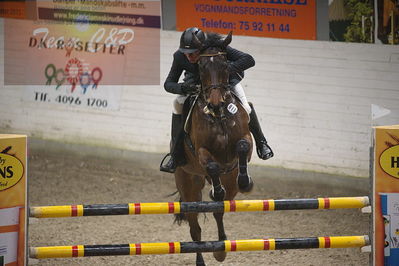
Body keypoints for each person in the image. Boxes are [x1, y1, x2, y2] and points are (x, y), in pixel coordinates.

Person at [160, 27, 273, 173]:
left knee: (246, 106)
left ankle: (262, 144)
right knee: (177, 105)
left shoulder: (216, 48)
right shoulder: (179, 56)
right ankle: (175, 155)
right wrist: (183, 88)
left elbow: (249, 60)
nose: (189, 57)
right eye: (186, 53)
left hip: (225, 83)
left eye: (193, 52)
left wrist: (225, 70)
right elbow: (168, 84)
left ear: (202, 47)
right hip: (195, 86)